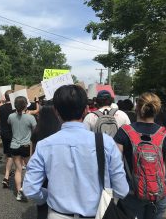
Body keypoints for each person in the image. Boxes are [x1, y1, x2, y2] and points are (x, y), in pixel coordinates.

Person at [23, 85, 129, 219]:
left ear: (56, 111)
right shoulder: (106, 142)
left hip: (58, 214)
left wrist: (46, 196)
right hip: (98, 213)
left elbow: (30, 189)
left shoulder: (45, 145)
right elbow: (122, 190)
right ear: (86, 110)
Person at [114, 92, 166, 219]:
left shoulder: (124, 132)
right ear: (157, 110)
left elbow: (115, 163)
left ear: (137, 108)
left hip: (132, 193)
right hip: (159, 194)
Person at [30, 101, 61, 219]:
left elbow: (33, 154)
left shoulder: (37, 131)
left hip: (42, 172)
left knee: (42, 207)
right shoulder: (60, 131)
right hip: (57, 170)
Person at [8, 96, 37, 201]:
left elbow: (9, 124)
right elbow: (35, 130)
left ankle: (19, 192)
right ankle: (28, 188)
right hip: (26, 146)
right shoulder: (30, 118)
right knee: (29, 168)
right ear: (25, 105)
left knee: (18, 170)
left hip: (14, 145)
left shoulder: (11, 116)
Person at [0, 90, 15, 188]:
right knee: (11, 155)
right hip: (13, 133)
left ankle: (7, 170)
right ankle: (6, 177)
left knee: (7, 153)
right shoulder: (15, 108)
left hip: (4, 133)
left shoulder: (1, 108)